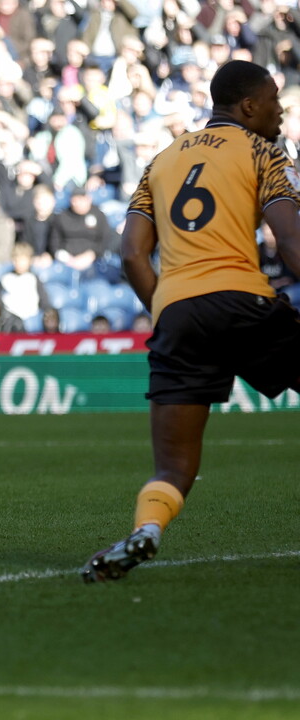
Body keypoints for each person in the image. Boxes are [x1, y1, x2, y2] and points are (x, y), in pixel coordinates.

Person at [81, 60, 300, 582]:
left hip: (178, 313)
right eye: (274, 98)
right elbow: (290, 240)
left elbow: (133, 254)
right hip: (243, 301)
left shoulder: (160, 160)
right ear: (248, 106)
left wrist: (167, 310)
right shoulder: (262, 150)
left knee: (174, 467)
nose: (280, 108)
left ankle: (147, 529)